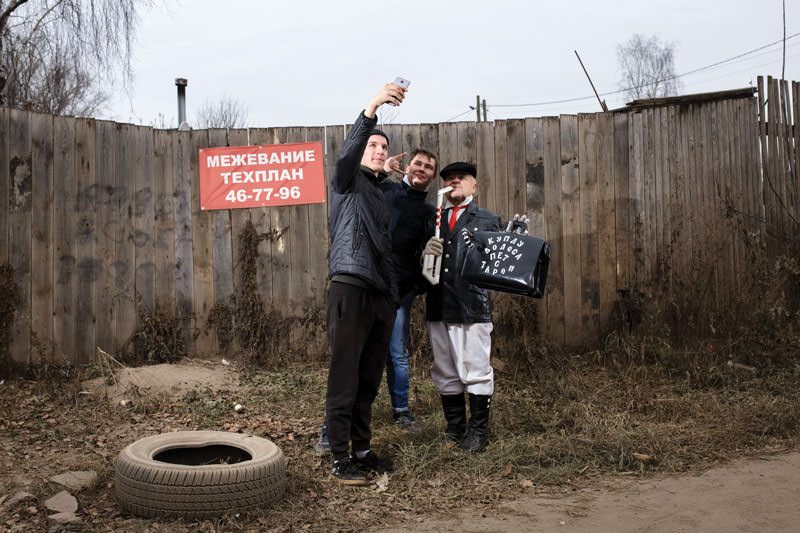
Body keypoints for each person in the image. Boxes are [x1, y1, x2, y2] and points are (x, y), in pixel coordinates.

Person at [315, 149, 437, 452]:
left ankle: (401, 411)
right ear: (407, 167)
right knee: (351, 362)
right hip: (367, 286)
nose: (422, 169)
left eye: (429, 167)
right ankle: (332, 429)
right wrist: (382, 170)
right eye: (417, 164)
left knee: (396, 354)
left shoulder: (429, 212)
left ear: (433, 176)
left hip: (398, 292)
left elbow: (428, 257)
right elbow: (359, 185)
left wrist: (414, 285)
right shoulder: (387, 190)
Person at [323, 82, 407, 485]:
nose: (378, 151)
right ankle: (339, 457)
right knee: (345, 376)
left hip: (380, 295)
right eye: (373, 145)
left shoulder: (376, 188)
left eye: (383, 148)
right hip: (350, 287)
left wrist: (386, 174)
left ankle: (361, 449)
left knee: (370, 377)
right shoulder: (346, 180)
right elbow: (348, 157)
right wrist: (372, 106)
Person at [421, 161, 526, 453]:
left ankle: (478, 432)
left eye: (461, 178)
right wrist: (424, 256)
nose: (455, 182)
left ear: (473, 185)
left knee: (476, 370)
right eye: (449, 179)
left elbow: (499, 263)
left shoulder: (488, 219)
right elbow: (422, 261)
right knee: (444, 369)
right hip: (438, 304)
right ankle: (455, 428)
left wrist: (513, 241)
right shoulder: (434, 218)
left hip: (471, 306)